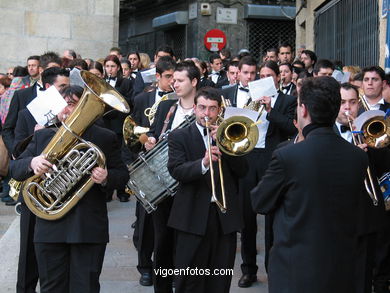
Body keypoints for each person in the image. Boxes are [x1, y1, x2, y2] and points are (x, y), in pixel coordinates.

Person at [251, 76, 369, 293]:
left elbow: (260, 202)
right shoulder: (357, 156)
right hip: (342, 268)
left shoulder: (287, 156)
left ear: (303, 110)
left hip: (295, 269)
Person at [9, 85, 129, 293]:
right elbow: (14, 169)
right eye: (62, 105)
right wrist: (32, 163)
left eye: (72, 104)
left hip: (88, 227)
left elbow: (123, 176)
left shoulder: (105, 137)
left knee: (87, 287)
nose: (66, 110)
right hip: (50, 230)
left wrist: (106, 177)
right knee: (52, 287)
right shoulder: (42, 137)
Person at [167, 87, 247, 292]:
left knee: (220, 280)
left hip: (223, 218)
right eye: (202, 108)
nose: (206, 114)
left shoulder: (229, 134)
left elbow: (243, 170)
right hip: (191, 217)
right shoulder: (179, 136)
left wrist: (226, 147)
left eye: (212, 109)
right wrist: (202, 163)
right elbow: (176, 170)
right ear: (194, 108)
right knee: (188, 280)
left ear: (219, 111)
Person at [233, 60, 296, 288]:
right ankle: (248, 269)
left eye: (270, 75)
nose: (263, 78)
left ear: (277, 78)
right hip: (248, 158)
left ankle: (273, 269)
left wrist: (270, 111)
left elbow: (291, 127)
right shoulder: (245, 97)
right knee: (247, 218)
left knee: (272, 219)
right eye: (261, 75)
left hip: (273, 161)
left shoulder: (288, 100)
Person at [145, 60, 200, 293]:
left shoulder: (205, 108)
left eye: (179, 80)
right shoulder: (167, 108)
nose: (174, 84)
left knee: (186, 243)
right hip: (163, 186)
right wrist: (149, 141)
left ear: (194, 82)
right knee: (163, 242)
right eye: (173, 80)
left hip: (190, 185)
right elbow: (153, 134)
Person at [335, 83, 390, 293]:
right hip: (335, 215)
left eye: (352, 102)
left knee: (363, 276)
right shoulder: (324, 133)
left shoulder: (370, 129)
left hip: (365, 214)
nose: (347, 108)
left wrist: (373, 148)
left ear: (359, 104)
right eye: (342, 103)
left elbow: (385, 166)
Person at [130, 55, 176, 287]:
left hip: (169, 166)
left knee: (167, 222)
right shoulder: (141, 98)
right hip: (147, 164)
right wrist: (144, 139)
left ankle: (167, 268)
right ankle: (145, 267)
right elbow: (134, 127)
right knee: (145, 221)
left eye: (175, 77)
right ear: (157, 77)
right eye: (168, 77)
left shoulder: (177, 101)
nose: (172, 82)